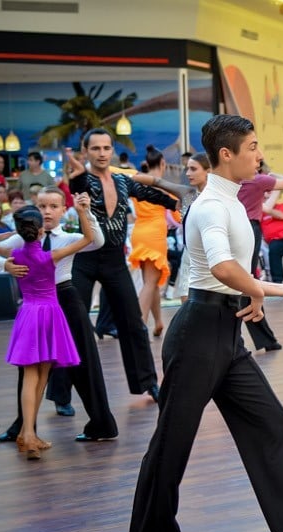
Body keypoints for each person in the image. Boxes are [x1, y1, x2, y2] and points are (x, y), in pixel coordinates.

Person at [127, 114, 283, 532]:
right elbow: (222, 267)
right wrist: (278, 289)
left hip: (226, 331)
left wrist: (253, 292)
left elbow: (235, 269)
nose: (259, 154)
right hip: (197, 335)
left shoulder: (232, 199)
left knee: (273, 424)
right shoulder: (210, 205)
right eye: (252, 147)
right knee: (172, 442)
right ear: (226, 154)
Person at [0, 185, 118, 443]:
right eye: (42, 206)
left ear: (64, 209)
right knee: (29, 366)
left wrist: (86, 212)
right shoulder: (23, 238)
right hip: (36, 304)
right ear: (35, 207)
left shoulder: (70, 238)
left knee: (84, 362)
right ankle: (24, 427)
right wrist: (5, 264)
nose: (47, 212)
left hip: (66, 299)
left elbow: (97, 241)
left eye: (53, 206)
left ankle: (102, 424)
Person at [69, 128, 172, 402]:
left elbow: (151, 194)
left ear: (112, 150)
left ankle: (148, 382)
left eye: (106, 148)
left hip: (114, 260)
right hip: (84, 260)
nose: (102, 153)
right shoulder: (83, 179)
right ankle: (62, 392)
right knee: (73, 324)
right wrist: (76, 176)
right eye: (95, 148)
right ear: (86, 151)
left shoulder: (122, 180)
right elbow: (77, 186)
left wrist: (178, 202)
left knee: (133, 324)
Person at [134, 152, 212, 303]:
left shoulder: (219, 197)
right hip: (189, 257)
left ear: (208, 172)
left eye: (193, 169)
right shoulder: (186, 193)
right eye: (187, 169)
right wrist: (125, 177)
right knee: (187, 304)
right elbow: (157, 182)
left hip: (212, 257)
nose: (188, 173)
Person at [237, 165, 283, 352]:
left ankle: (263, 339)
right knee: (246, 284)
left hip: (239, 229)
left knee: (245, 284)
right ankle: (249, 339)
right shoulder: (258, 180)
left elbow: (267, 207)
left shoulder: (237, 180)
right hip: (249, 230)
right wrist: (271, 175)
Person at [130, 145, 175, 337]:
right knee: (150, 283)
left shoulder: (138, 181)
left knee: (151, 281)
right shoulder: (164, 185)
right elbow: (179, 212)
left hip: (139, 232)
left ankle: (158, 322)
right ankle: (139, 326)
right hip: (155, 234)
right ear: (163, 163)